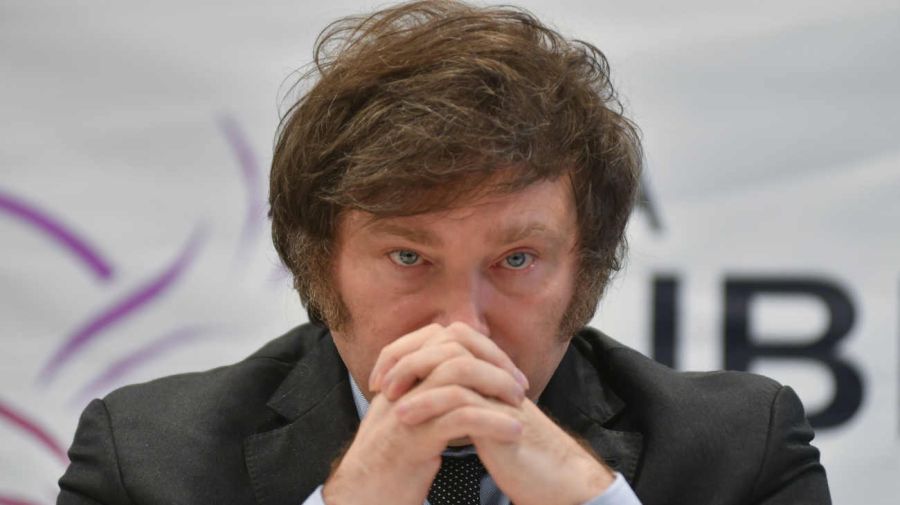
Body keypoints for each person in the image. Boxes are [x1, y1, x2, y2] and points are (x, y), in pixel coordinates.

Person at [57, 1, 831, 504]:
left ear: (585, 271)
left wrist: (584, 497)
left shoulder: (742, 451)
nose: (462, 325)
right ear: (321, 263)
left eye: (517, 259)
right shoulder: (146, 459)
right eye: (408, 257)